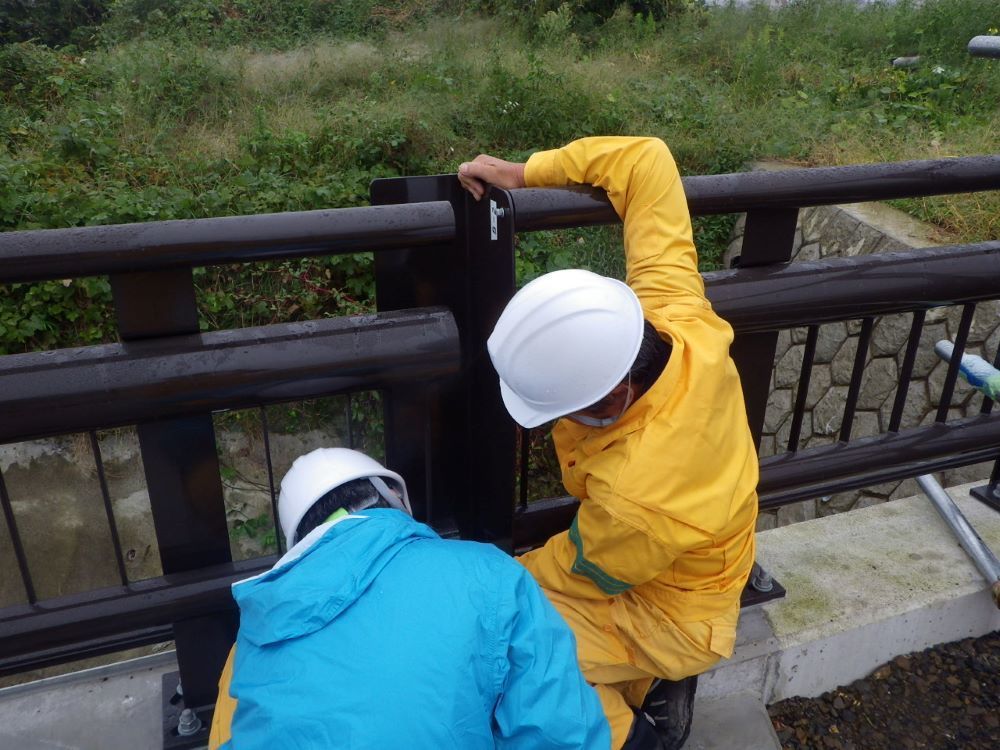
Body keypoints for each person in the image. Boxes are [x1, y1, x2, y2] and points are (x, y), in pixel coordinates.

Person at [458, 136, 759, 750]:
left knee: (501, 655)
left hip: (675, 613)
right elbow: (646, 160)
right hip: (695, 551)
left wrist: (469, 584)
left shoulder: (634, 496)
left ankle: (636, 736)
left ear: (615, 394)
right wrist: (524, 173)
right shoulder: (674, 315)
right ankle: (641, 683)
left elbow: (576, 572)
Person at [208, 447, 611, 750]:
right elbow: (561, 734)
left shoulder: (255, 636)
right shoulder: (488, 573)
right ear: (389, 494)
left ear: (302, 541)